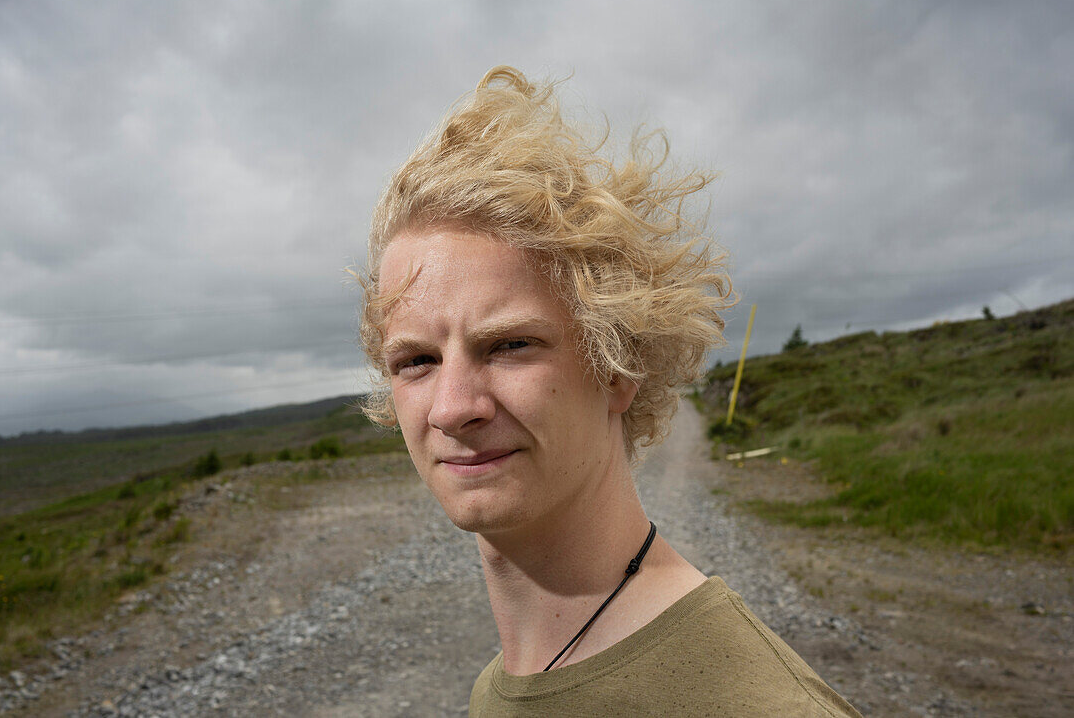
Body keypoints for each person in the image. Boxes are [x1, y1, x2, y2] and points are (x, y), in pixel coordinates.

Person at [358, 66, 862, 717]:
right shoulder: (501, 688)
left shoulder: (762, 705)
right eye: (416, 360)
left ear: (618, 367)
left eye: (510, 345)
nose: (454, 407)